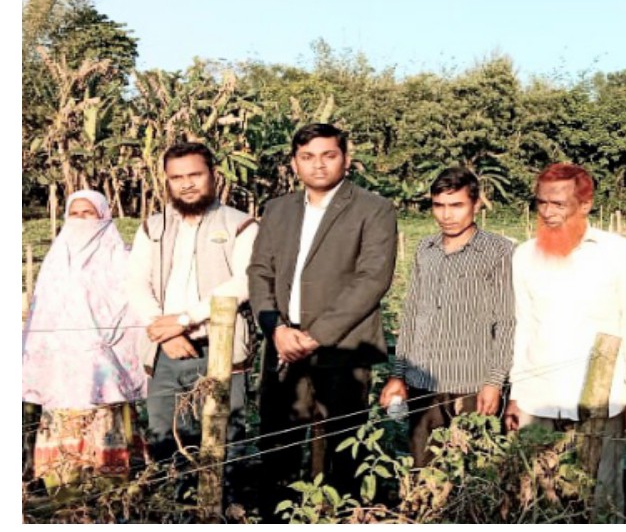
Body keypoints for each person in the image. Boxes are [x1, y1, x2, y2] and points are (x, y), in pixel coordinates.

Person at [245, 124, 398, 500]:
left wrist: (315, 337)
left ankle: (337, 513)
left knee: (339, 446)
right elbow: (259, 272)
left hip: (342, 347)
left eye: (329, 155)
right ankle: (275, 513)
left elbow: (372, 280)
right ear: (295, 163)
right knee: (278, 440)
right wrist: (275, 329)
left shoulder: (373, 209)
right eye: (307, 157)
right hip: (283, 344)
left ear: (345, 159)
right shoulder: (277, 209)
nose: (318, 165)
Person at [505, 164, 626, 514]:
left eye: (558, 204)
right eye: (541, 202)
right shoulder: (525, 256)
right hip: (539, 399)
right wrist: (517, 394)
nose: (547, 212)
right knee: (536, 497)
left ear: (585, 204)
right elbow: (524, 327)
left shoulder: (619, 254)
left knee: (599, 498)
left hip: (603, 398)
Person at [127, 141, 257, 479]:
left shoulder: (241, 225)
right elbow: (135, 285)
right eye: (177, 177)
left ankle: (229, 515)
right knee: (166, 441)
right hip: (165, 353)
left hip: (221, 349)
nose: (186, 184)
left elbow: (244, 282)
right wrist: (163, 331)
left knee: (225, 442)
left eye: (195, 175)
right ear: (167, 182)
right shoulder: (151, 228)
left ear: (213, 175)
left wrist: (184, 321)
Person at [378, 167, 515, 468]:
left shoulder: (499, 252)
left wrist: (494, 382)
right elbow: (412, 314)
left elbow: (506, 322)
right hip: (423, 382)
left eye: (457, 205)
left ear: (477, 204)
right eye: (439, 206)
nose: (446, 215)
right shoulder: (425, 249)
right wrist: (398, 374)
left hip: (472, 384)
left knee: (473, 472)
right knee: (423, 469)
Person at [22, 191, 147, 488]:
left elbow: (132, 310)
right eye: (74, 214)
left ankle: (110, 500)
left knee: (107, 433)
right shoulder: (56, 260)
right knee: (63, 441)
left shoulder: (123, 259)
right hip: (61, 371)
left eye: (88, 213)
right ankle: (63, 500)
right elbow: (43, 315)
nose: (80, 220)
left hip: (106, 370)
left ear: (103, 217)